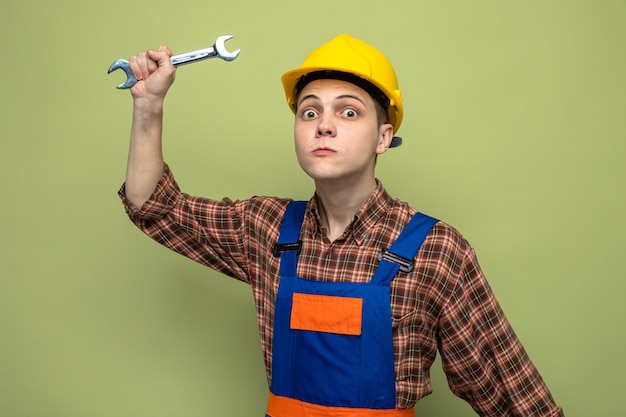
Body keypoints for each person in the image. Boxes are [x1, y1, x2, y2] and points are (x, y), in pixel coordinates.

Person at [118, 34, 564, 417]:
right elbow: (153, 205)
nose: (324, 126)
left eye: (348, 112)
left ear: (383, 138)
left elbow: (516, 399)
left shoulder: (436, 249)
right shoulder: (265, 228)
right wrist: (148, 104)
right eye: (309, 112)